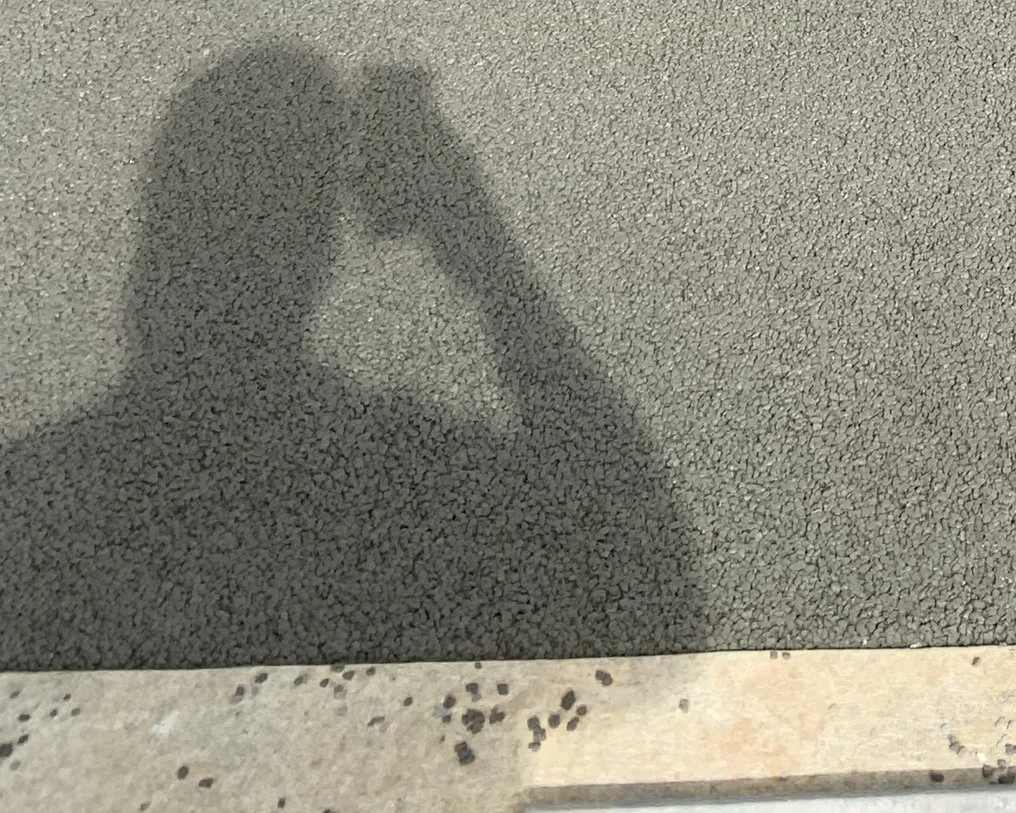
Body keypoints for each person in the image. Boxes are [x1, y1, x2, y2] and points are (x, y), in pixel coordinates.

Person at [0, 45, 706, 668]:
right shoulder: (400, 493)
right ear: (314, 251)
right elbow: (643, 578)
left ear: (154, 248)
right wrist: (489, 260)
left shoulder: (35, 505)